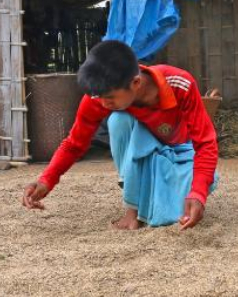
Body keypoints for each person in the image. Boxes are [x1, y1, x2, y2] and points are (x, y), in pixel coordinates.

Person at [22, 40, 218, 230]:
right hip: (143, 156)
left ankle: (156, 200)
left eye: (109, 98)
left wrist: (198, 192)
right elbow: (74, 143)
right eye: (99, 98)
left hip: (181, 152)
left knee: (178, 209)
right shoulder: (98, 98)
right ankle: (132, 210)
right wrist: (46, 180)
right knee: (118, 120)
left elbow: (206, 144)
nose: (103, 103)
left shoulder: (180, 84)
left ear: (136, 83)